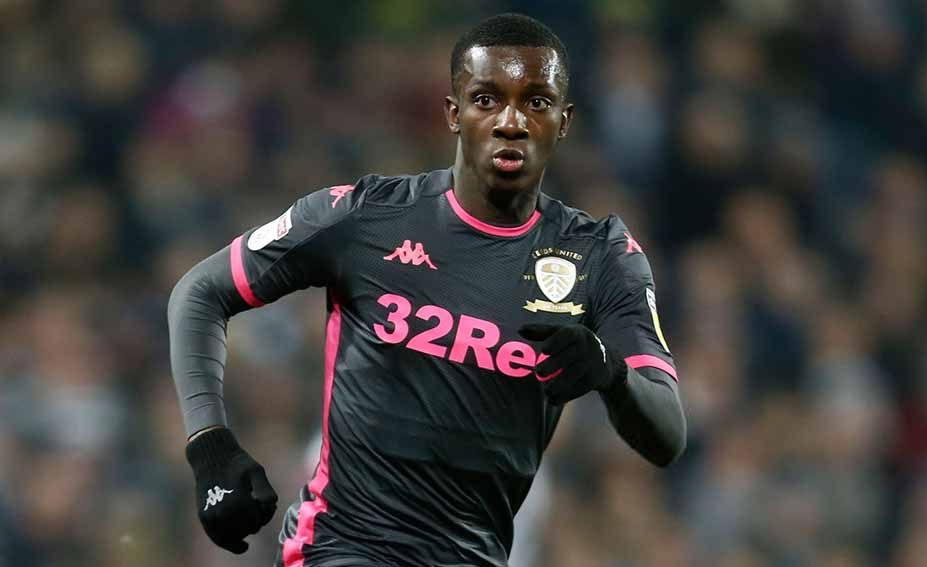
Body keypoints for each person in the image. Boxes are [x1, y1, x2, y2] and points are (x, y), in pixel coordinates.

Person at [168, 13, 686, 567]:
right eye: (487, 99)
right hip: (342, 548)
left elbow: (667, 433)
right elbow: (200, 292)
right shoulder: (366, 217)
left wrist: (612, 374)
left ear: (563, 121)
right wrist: (210, 445)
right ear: (453, 112)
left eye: (536, 102)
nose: (511, 121)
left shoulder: (600, 254)